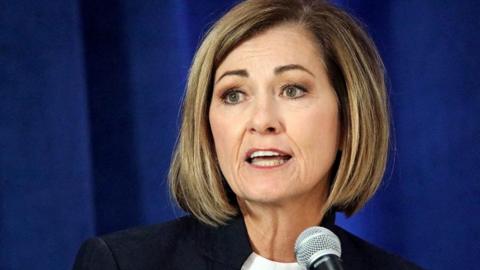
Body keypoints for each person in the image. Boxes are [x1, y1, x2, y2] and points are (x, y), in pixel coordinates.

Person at [73, 0, 422, 269]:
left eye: (293, 90)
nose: (262, 120)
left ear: (349, 119)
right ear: (207, 127)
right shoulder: (123, 263)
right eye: (234, 95)